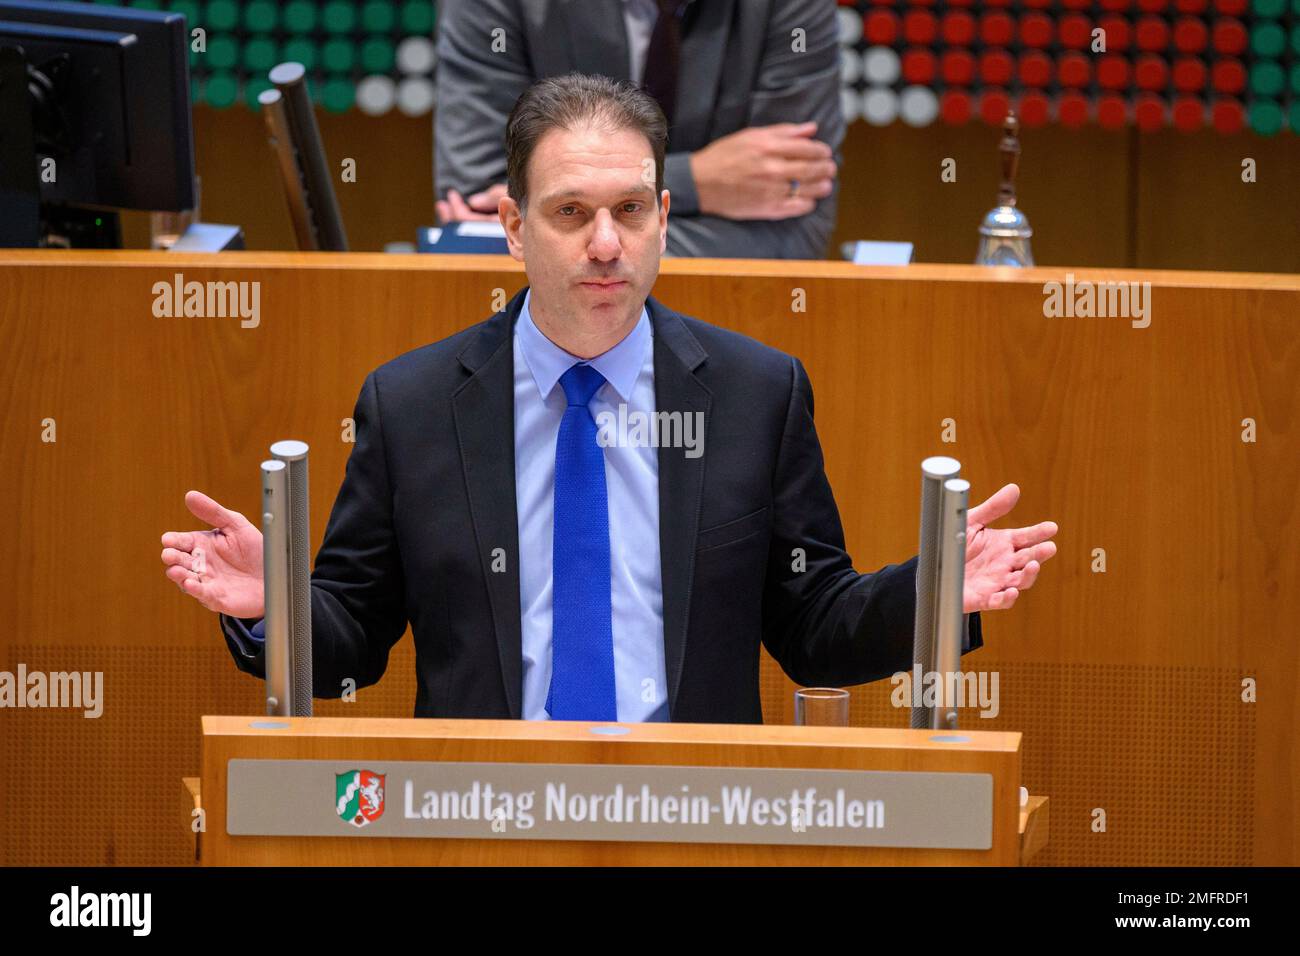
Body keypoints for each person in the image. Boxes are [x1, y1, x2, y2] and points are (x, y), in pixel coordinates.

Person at [161, 74, 1058, 723]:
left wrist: (941, 592)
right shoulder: (415, 404)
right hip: (479, 818)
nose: (604, 244)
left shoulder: (755, 394)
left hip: (695, 817)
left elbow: (815, 624)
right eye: (569, 213)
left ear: (664, 218)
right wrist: (273, 601)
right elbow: (352, 636)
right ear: (511, 226)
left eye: (630, 212)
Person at [434, 0, 844, 260]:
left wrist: (564, 224)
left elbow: (792, 232)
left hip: (736, 330)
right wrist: (697, 181)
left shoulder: (793, 10)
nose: (606, 248)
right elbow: (478, 218)